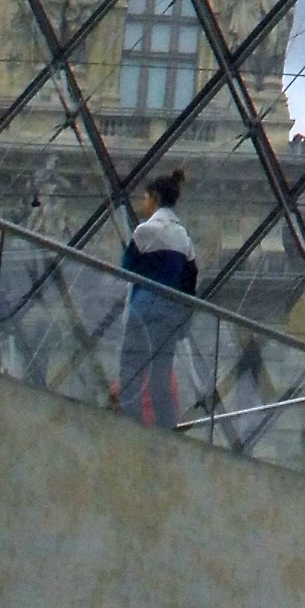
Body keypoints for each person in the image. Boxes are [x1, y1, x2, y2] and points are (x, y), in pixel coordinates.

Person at [113, 168, 197, 428]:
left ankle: (133, 425)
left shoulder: (145, 231)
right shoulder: (183, 236)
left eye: (146, 197)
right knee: (161, 375)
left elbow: (127, 267)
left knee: (131, 368)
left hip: (144, 309)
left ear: (155, 198)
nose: (143, 202)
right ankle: (166, 427)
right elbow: (190, 281)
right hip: (171, 314)